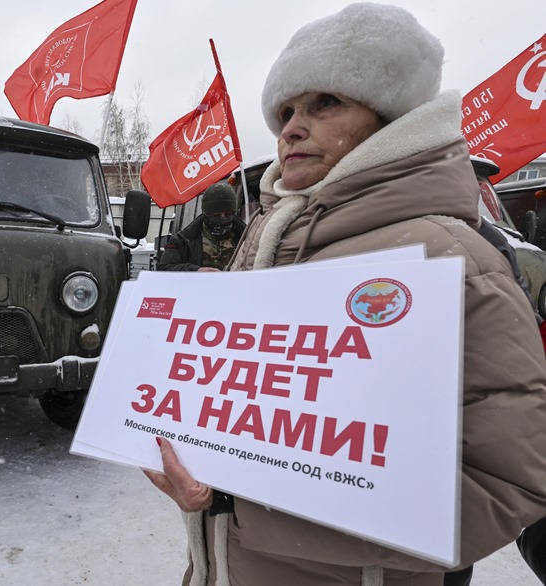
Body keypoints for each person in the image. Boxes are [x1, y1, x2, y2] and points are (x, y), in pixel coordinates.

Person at [143, 3, 546, 585]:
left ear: (389, 119)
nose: (291, 128)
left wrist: (240, 494)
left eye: (325, 103)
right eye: (285, 111)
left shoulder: (450, 258)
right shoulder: (270, 237)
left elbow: (502, 487)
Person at [157, 182, 246, 272]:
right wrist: (196, 271)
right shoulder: (182, 241)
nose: (222, 218)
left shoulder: (248, 239)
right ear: (206, 213)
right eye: (216, 215)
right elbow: (164, 270)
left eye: (228, 214)